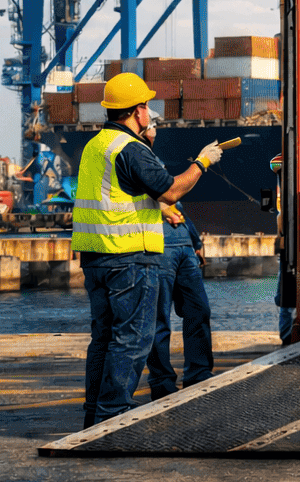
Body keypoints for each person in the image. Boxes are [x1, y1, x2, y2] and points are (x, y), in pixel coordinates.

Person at [75, 72, 223, 428]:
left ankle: (94, 417)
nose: (149, 111)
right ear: (137, 111)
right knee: (132, 339)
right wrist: (202, 162)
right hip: (128, 258)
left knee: (104, 340)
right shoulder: (132, 149)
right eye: (146, 105)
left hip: (95, 258)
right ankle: (113, 418)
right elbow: (170, 191)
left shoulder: (96, 146)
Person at [145, 197, 214, 399]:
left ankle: (198, 373)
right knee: (159, 319)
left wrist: (194, 241)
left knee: (199, 309)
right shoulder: (134, 166)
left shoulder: (157, 166)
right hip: (157, 246)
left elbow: (175, 203)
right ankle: (161, 381)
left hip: (183, 246)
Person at [269, 153, 296, 343]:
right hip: (288, 240)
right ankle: (287, 336)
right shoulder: (280, 162)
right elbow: (274, 163)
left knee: (285, 296)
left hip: (290, 239)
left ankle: (287, 335)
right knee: (285, 296)